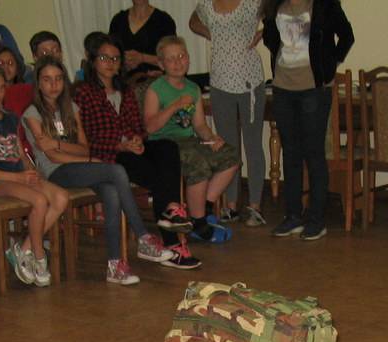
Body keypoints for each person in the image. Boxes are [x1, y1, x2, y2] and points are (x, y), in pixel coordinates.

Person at [23, 58, 173, 285]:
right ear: (38, 83)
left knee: (111, 191)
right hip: (55, 173)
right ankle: (143, 236)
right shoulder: (32, 112)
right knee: (117, 170)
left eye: (58, 79)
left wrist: (60, 145)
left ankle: (115, 266)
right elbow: (53, 157)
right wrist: (83, 157)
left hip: (80, 166)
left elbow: (84, 147)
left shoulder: (71, 108)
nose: (54, 85)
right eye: (47, 79)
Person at [73, 33, 200, 271]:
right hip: (108, 155)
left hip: (131, 149)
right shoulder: (83, 92)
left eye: (115, 58)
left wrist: (137, 139)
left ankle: (171, 213)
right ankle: (172, 243)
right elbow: (88, 138)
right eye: (104, 58)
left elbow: (138, 127)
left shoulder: (125, 90)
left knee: (167, 147)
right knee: (158, 176)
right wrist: (121, 145)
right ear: (93, 60)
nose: (111, 63)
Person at [0, 61, 67, 289]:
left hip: (18, 175)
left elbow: (20, 152)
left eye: (2, 88)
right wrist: (18, 178)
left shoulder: (10, 117)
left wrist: (30, 170)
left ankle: (24, 249)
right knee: (39, 200)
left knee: (61, 197)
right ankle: (39, 256)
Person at [262, 0, 354, 241]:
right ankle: (293, 216)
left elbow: (347, 36)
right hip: (282, 88)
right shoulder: (274, 5)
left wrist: (330, 65)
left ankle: (316, 220)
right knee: (290, 153)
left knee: (313, 154)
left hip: (314, 90)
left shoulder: (325, 4)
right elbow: (270, 39)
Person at [144, 36, 240, 244]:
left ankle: (204, 208)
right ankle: (198, 223)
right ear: (161, 64)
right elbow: (150, 127)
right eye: (171, 59)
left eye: (182, 56)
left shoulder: (193, 88)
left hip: (188, 141)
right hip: (164, 145)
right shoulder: (156, 89)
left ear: (188, 58)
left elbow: (199, 125)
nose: (178, 62)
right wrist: (175, 106)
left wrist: (212, 138)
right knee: (198, 163)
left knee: (231, 156)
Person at [189, 0, 268, 227]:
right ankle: (231, 205)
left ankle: (254, 206)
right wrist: (209, 32)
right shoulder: (207, 3)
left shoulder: (253, 2)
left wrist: (265, 32)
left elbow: (276, 11)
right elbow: (193, 22)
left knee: (253, 145)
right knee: (227, 147)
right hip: (220, 82)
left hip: (250, 81)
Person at [109, 0, 176, 88]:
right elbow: (110, 55)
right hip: (123, 84)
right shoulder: (118, 21)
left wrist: (143, 58)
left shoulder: (164, 21)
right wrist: (122, 62)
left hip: (156, 84)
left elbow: (173, 58)